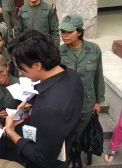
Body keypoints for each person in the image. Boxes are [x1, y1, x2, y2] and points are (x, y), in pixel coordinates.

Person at [5, 29, 84, 168]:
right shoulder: (72, 75)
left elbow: (42, 159)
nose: (20, 73)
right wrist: (30, 100)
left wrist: (11, 133)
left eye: (22, 69)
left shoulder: (49, 109)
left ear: (37, 65)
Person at [59, 14, 105, 168]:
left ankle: (77, 153)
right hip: (68, 101)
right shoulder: (60, 51)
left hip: (87, 101)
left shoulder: (94, 49)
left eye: (68, 32)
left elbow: (98, 75)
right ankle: (70, 151)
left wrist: (99, 100)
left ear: (79, 32)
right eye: (62, 31)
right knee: (70, 128)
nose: (64, 35)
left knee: (81, 129)